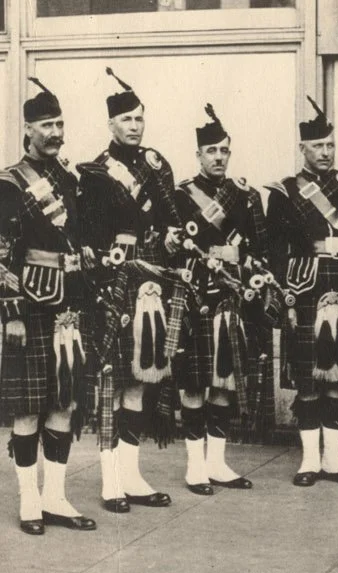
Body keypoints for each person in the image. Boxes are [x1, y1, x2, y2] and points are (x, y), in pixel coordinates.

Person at [74, 67, 181, 513]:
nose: (135, 126)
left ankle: (133, 475)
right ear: (111, 125)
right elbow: (89, 234)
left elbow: (170, 218)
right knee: (112, 382)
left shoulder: (158, 165)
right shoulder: (96, 172)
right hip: (116, 283)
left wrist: (173, 239)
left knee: (141, 381)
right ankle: (110, 479)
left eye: (140, 118)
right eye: (127, 120)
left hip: (153, 281)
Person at [265, 96, 338, 487]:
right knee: (309, 380)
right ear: (303, 149)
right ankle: (309, 461)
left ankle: (334, 459)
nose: (326, 152)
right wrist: (288, 293)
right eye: (318, 146)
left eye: (331, 145)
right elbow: (274, 251)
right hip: (307, 286)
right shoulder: (284, 191)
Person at [1, 78, 96, 534]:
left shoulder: (70, 179)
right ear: (29, 129)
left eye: (60, 123)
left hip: (70, 306)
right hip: (32, 306)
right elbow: (2, 254)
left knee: (64, 399)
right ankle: (30, 501)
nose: (56, 132)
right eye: (46, 125)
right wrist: (12, 312)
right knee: (26, 406)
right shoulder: (10, 182)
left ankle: (56, 497)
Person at [171, 104, 272, 495]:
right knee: (194, 381)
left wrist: (250, 271)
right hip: (197, 294)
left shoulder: (246, 196)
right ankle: (195, 466)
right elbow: (176, 249)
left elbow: (260, 248)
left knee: (225, 380)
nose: (218, 157)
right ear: (198, 155)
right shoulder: (181, 196)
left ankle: (218, 462)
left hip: (234, 296)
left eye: (224, 150)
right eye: (211, 150)